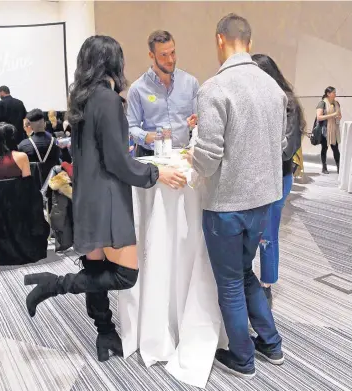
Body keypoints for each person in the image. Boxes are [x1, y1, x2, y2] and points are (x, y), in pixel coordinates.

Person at [23, 35, 187, 362]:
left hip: (87, 195)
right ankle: (51, 284)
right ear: (112, 61)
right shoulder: (109, 100)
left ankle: (105, 333)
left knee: (95, 265)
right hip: (108, 198)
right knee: (126, 273)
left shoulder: (81, 100)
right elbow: (117, 161)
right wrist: (156, 175)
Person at [187, 14, 286, 379]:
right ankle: (272, 344)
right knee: (246, 275)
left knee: (229, 283)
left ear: (219, 40)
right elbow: (278, 146)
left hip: (226, 206)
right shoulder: (273, 89)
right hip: (262, 202)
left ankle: (243, 358)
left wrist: (192, 155)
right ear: (249, 39)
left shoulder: (214, 88)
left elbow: (209, 160)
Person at [252, 54, 306, 307]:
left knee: (268, 232)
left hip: (278, 177)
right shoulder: (256, 102)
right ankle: (250, 279)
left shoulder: (289, 105)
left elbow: (286, 150)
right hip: (255, 177)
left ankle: (267, 284)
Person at [127, 30, 199, 156]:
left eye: (173, 53)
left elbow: (199, 121)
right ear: (151, 55)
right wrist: (147, 136)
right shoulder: (137, 89)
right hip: (150, 155)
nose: (170, 60)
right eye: (163, 55)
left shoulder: (190, 83)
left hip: (183, 154)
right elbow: (131, 127)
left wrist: (197, 120)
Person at [18, 109, 61, 183]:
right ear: (44, 124)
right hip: (53, 185)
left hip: (33, 186)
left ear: (30, 126)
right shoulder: (56, 142)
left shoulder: (23, 145)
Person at [316, 86, 341, 174]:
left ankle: (339, 167)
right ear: (328, 94)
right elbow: (319, 117)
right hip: (325, 129)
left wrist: (338, 116)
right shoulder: (322, 103)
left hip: (334, 129)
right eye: (333, 92)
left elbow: (339, 115)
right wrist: (332, 115)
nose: (335, 94)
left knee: (335, 149)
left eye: (335, 92)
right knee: (324, 148)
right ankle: (324, 167)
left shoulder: (336, 103)